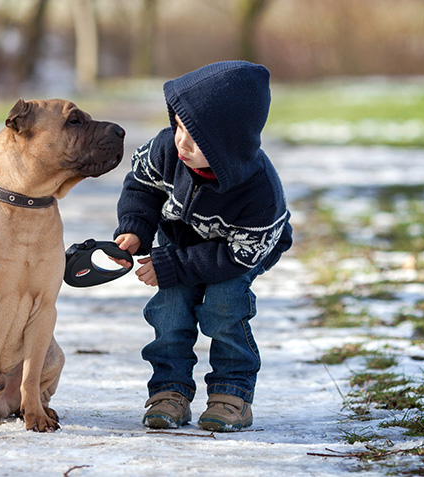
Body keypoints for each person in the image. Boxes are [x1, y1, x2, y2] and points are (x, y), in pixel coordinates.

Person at [113, 61, 293, 432]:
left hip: (241, 249)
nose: (181, 140)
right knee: (170, 308)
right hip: (183, 240)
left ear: (230, 144)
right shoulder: (167, 150)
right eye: (178, 126)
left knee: (225, 304)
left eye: (196, 137)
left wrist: (173, 265)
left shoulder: (260, 193)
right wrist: (135, 228)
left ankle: (232, 394)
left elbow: (237, 255)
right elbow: (141, 187)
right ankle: (169, 391)